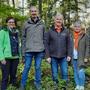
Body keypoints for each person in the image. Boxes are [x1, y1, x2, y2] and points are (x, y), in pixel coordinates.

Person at [44, 13, 72, 89]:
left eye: (60, 19)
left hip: (63, 57)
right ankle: (56, 87)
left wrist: (69, 55)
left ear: (62, 21)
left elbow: (69, 44)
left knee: (65, 73)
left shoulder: (66, 31)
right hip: (53, 57)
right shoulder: (50, 31)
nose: (59, 21)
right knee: (55, 74)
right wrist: (47, 56)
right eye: (57, 19)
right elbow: (46, 44)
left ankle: (64, 87)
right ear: (54, 20)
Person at [20, 6, 45, 90]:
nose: (34, 13)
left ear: (37, 12)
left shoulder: (42, 23)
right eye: (32, 11)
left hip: (39, 50)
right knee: (27, 67)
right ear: (30, 12)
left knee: (38, 67)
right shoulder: (25, 24)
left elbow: (45, 37)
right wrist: (23, 53)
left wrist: (44, 50)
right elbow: (23, 39)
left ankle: (37, 83)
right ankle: (22, 84)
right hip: (28, 50)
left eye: (35, 11)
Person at [0, 17, 20, 90]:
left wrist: (19, 56)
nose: (11, 23)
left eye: (13, 22)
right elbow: (0, 45)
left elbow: (18, 45)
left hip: (15, 58)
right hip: (6, 58)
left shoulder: (16, 32)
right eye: (10, 22)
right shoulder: (3, 31)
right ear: (7, 23)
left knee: (13, 76)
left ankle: (12, 88)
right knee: (5, 77)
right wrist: (1, 58)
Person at [71, 21, 89, 90]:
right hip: (74, 57)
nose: (77, 28)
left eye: (78, 26)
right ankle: (77, 85)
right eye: (75, 26)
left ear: (81, 27)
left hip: (81, 57)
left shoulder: (85, 35)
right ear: (73, 27)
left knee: (81, 72)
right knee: (75, 72)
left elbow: (88, 46)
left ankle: (82, 85)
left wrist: (86, 57)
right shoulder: (71, 35)